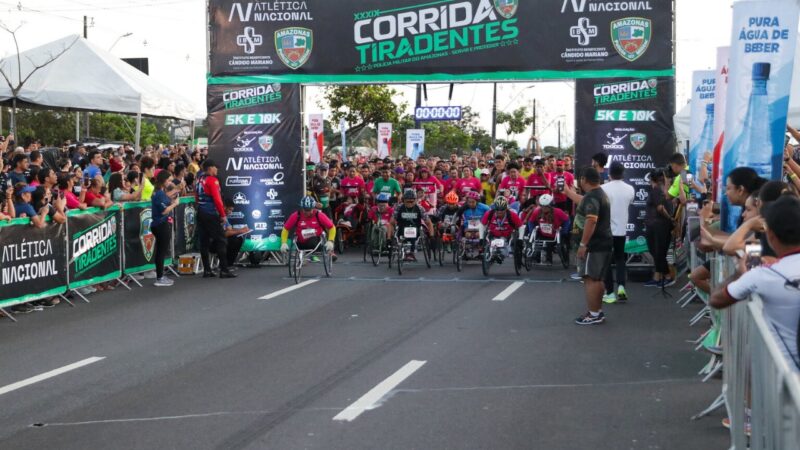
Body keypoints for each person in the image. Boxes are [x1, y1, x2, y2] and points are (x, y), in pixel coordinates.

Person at [710, 195, 800, 366]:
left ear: (771, 236)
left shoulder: (762, 275)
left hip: (784, 380)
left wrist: (738, 274)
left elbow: (716, 299)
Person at [573, 167, 613, 326]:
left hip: (595, 244)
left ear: (584, 179)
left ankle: (594, 313)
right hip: (602, 242)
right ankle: (597, 311)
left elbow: (591, 220)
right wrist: (567, 192)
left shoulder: (592, 197)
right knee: (596, 278)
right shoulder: (599, 194)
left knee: (591, 278)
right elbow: (581, 202)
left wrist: (583, 244)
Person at [195, 159, 236, 279]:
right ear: (210, 168)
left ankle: (207, 270)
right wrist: (223, 215)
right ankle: (224, 270)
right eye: (215, 167)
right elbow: (217, 199)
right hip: (210, 213)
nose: (217, 169)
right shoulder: (213, 180)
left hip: (201, 212)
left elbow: (196, 196)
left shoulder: (199, 179)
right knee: (221, 240)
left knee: (204, 242)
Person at [601, 162, 635, 303]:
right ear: (623, 173)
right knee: (621, 259)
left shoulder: (603, 188)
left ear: (609, 173)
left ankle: (609, 293)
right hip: (621, 229)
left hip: (606, 230)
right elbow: (630, 202)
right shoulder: (630, 189)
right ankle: (621, 286)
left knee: (606, 261)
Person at [644, 170, 676, 287]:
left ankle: (667, 276)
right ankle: (657, 277)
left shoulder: (657, 190)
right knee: (658, 252)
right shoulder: (664, 190)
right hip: (658, 226)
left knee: (658, 252)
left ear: (652, 180)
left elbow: (660, 208)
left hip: (658, 226)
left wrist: (670, 218)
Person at [151, 171, 180, 287]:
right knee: (161, 251)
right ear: (164, 180)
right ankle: (159, 277)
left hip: (160, 224)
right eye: (168, 180)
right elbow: (164, 210)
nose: (170, 182)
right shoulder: (158, 193)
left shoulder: (161, 193)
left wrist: (173, 199)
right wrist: (175, 204)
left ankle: (160, 275)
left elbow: (167, 200)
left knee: (161, 251)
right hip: (160, 224)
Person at [390, 189, 434, 262]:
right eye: (408, 201)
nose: (410, 203)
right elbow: (391, 222)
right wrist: (390, 237)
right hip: (401, 228)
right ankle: (405, 250)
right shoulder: (399, 207)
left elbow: (429, 223)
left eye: (412, 201)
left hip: (415, 229)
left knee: (412, 231)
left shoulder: (420, 208)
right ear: (404, 200)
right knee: (402, 232)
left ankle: (411, 252)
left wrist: (431, 236)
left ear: (415, 200)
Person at [526, 194, 570, 264]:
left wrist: (564, 231)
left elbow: (567, 221)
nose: (544, 208)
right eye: (542, 206)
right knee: (537, 243)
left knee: (554, 245)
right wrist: (531, 231)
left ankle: (562, 259)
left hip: (555, 233)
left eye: (546, 206)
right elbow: (530, 221)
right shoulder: (537, 211)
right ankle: (535, 258)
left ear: (551, 205)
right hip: (542, 232)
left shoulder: (558, 212)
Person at [223, 198, 250, 267]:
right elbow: (224, 233)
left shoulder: (225, 217)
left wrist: (242, 229)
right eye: (230, 210)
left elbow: (230, 229)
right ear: (224, 207)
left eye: (232, 210)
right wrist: (240, 231)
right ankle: (225, 264)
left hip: (222, 240)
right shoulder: (218, 216)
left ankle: (229, 264)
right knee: (233, 240)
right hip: (215, 242)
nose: (230, 212)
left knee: (239, 239)